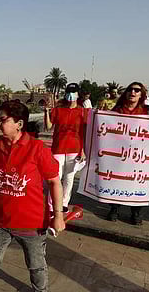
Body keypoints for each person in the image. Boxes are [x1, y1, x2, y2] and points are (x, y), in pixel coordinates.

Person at [0, 100, 65, 292]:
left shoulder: (37, 148)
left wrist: (58, 215)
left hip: (31, 224)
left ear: (19, 124)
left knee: (36, 267)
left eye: (3, 119)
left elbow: (55, 182)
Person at [107, 82, 149, 225]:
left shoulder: (148, 112)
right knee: (117, 181)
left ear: (141, 94)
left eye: (137, 90)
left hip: (139, 155)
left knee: (137, 184)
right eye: (130, 90)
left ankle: (136, 212)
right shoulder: (118, 110)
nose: (133, 92)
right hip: (120, 154)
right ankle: (114, 209)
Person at [44, 83, 87, 211]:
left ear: (78, 94)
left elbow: (84, 132)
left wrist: (83, 150)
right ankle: (52, 206)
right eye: (68, 92)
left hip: (75, 148)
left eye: (73, 92)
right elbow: (48, 126)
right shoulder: (58, 109)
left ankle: (63, 203)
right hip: (58, 148)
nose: (71, 95)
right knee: (56, 176)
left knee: (69, 178)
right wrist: (46, 111)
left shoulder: (83, 111)